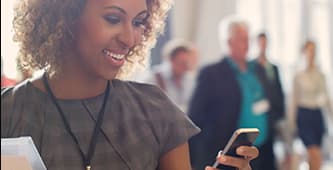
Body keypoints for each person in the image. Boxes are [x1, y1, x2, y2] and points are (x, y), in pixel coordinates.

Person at [1, 0, 258, 170]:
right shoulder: (9, 112)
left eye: (138, 22)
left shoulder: (155, 111)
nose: (130, 38)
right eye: (113, 18)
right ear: (66, 15)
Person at [188, 17, 268, 170]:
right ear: (229, 42)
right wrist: (194, 159)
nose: (247, 44)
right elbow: (195, 117)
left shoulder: (257, 69)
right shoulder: (211, 73)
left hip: (262, 148)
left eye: (248, 39)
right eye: (241, 39)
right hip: (227, 153)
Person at [290, 40, 333, 170]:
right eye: (309, 50)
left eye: (313, 50)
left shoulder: (321, 75)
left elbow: (327, 99)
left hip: (317, 116)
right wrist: (291, 125)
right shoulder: (298, 75)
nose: (311, 54)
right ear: (304, 52)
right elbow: (293, 101)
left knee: (313, 157)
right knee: (315, 154)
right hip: (304, 116)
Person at [251, 32, 285, 170]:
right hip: (258, 115)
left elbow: (278, 91)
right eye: (261, 43)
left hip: (272, 116)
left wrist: (280, 113)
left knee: (270, 154)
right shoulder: (251, 67)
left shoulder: (273, 67)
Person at [145, 39, 198, 112]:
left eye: (187, 63)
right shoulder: (153, 79)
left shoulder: (189, 79)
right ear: (170, 60)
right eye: (182, 63)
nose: (186, 68)